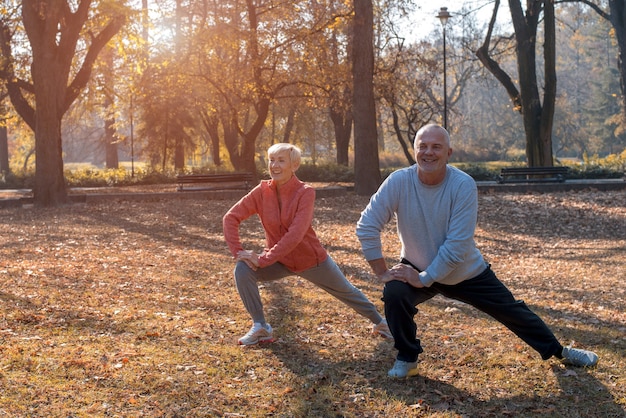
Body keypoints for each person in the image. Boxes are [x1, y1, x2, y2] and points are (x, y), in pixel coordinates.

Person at [356, 124, 599, 378]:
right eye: (422, 146)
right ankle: (407, 358)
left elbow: (457, 245)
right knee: (395, 293)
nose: (428, 152)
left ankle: (560, 351)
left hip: (465, 271)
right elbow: (367, 225)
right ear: (414, 150)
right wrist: (381, 271)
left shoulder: (462, 185)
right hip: (417, 265)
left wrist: (424, 278)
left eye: (436, 147)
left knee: (514, 311)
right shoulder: (398, 181)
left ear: (448, 153)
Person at [223, 143, 391, 345]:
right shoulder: (261, 192)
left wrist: (263, 259)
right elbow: (230, 218)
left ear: (294, 165)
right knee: (242, 269)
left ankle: (380, 323)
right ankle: (260, 327)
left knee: (347, 292)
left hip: (311, 260)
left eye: (281, 160)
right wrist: (239, 252)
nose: (274, 165)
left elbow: (295, 234)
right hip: (279, 260)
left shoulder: (305, 192)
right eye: (271, 160)